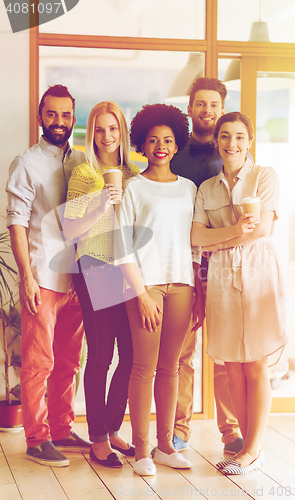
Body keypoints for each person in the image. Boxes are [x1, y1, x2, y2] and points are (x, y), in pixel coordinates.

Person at [191, 111, 287, 474]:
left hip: (258, 274)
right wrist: (233, 231)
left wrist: (222, 236)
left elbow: (261, 230)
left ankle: (252, 449)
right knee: (232, 365)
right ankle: (248, 449)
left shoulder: (265, 177)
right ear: (216, 141)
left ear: (249, 141)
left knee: (256, 364)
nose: (232, 144)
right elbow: (196, 238)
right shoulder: (206, 189)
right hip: (220, 278)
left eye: (240, 137)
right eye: (226, 137)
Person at [115, 103, 205, 476]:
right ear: (142, 144)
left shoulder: (189, 188)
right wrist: (141, 294)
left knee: (171, 369)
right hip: (145, 286)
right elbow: (120, 246)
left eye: (167, 140)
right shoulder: (134, 187)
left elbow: (195, 244)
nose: (161, 146)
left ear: (176, 143)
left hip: (182, 284)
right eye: (153, 140)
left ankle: (166, 445)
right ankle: (141, 452)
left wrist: (198, 290)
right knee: (143, 368)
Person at [6, 84, 91, 467]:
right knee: (40, 360)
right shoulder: (26, 163)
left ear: (74, 118)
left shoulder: (81, 162)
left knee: (70, 361)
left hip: (78, 277)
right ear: (41, 116)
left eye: (66, 115)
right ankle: (37, 437)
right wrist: (25, 276)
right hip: (42, 274)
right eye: (52, 114)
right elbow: (17, 223)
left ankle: (61, 428)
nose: (59, 121)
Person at [62, 102, 139, 467]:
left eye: (113, 129)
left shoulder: (133, 172)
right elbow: (70, 231)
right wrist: (100, 205)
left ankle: (112, 427)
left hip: (127, 270)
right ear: (90, 132)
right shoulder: (85, 173)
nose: (107, 137)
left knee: (132, 354)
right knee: (102, 355)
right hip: (95, 267)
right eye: (100, 129)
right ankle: (97, 439)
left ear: (122, 131)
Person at [169, 77, 243, 455]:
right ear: (190, 108)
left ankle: (230, 431)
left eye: (214, 104)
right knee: (182, 353)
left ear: (221, 106)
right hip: (181, 266)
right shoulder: (174, 154)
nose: (207, 111)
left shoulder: (231, 156)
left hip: (222, 266)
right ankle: (178, 430)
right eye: (201, 104)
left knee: (225, 349)